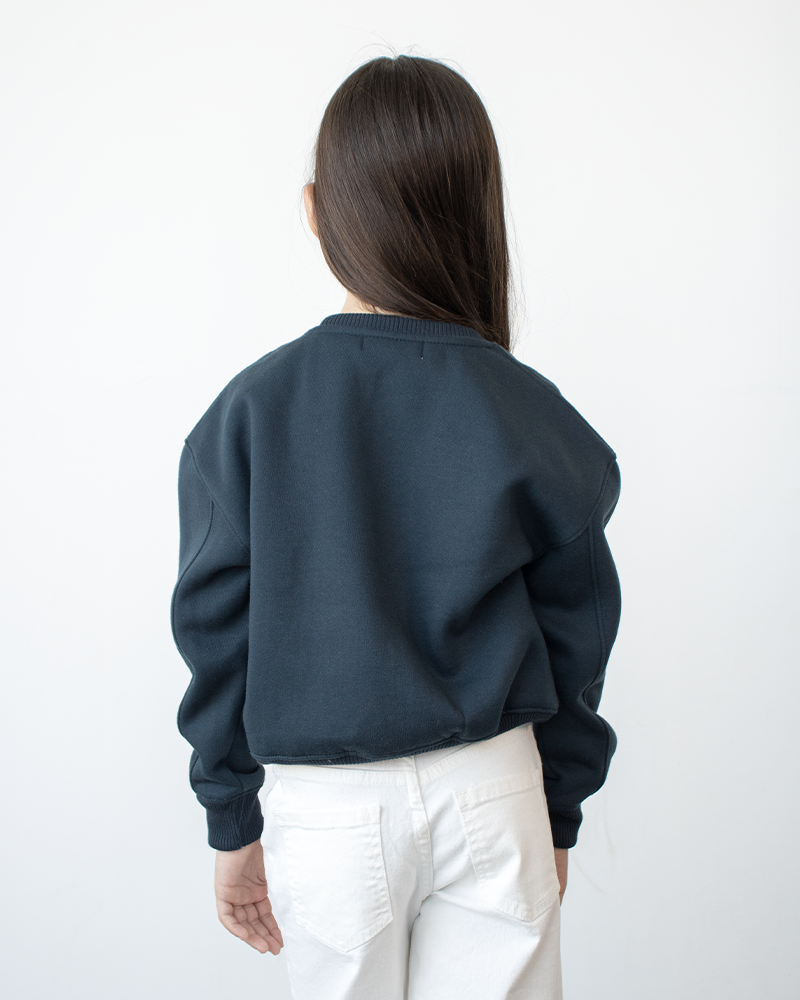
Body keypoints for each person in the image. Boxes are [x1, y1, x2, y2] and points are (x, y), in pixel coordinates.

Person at [170, 53, 622, 1000]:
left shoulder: (251, 413)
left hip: (327, 809)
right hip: (495, 789)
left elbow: (214, 627)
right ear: (475, 213)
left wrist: (231, 816)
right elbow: (580, 628)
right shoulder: (529, 412)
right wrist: (558, 809)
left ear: (315, 211)